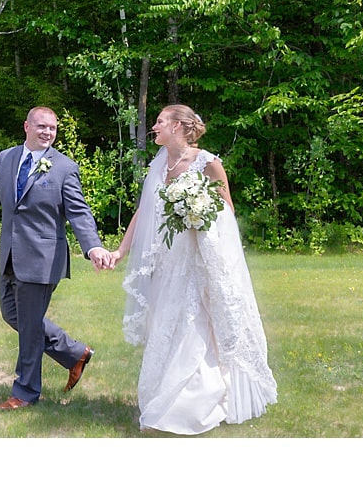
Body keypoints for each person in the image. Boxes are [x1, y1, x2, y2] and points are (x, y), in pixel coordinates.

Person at [109, 104, 277, 434]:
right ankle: (162, 395)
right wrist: (120, 251)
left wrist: (197, 216)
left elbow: (226, 210)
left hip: (198, 261)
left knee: (194, 325)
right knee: (165, 324)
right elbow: (143, 213)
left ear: (179, 126)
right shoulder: (158, 166)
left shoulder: (209, 163)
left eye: (159, 122)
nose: (153, 127)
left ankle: (196, 400)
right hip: (168, 262)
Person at [0, 106, 110, 410]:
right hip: (10, 256)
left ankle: (25, 392)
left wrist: (92, 247)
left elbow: (79, 212)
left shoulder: (64, 168)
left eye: (52, 129)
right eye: (41, 126)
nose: (47, 133)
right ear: (26, 126)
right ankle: (74, 353)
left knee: (28, 327)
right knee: (12, 315)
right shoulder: (7, 158)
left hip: (43, 259)